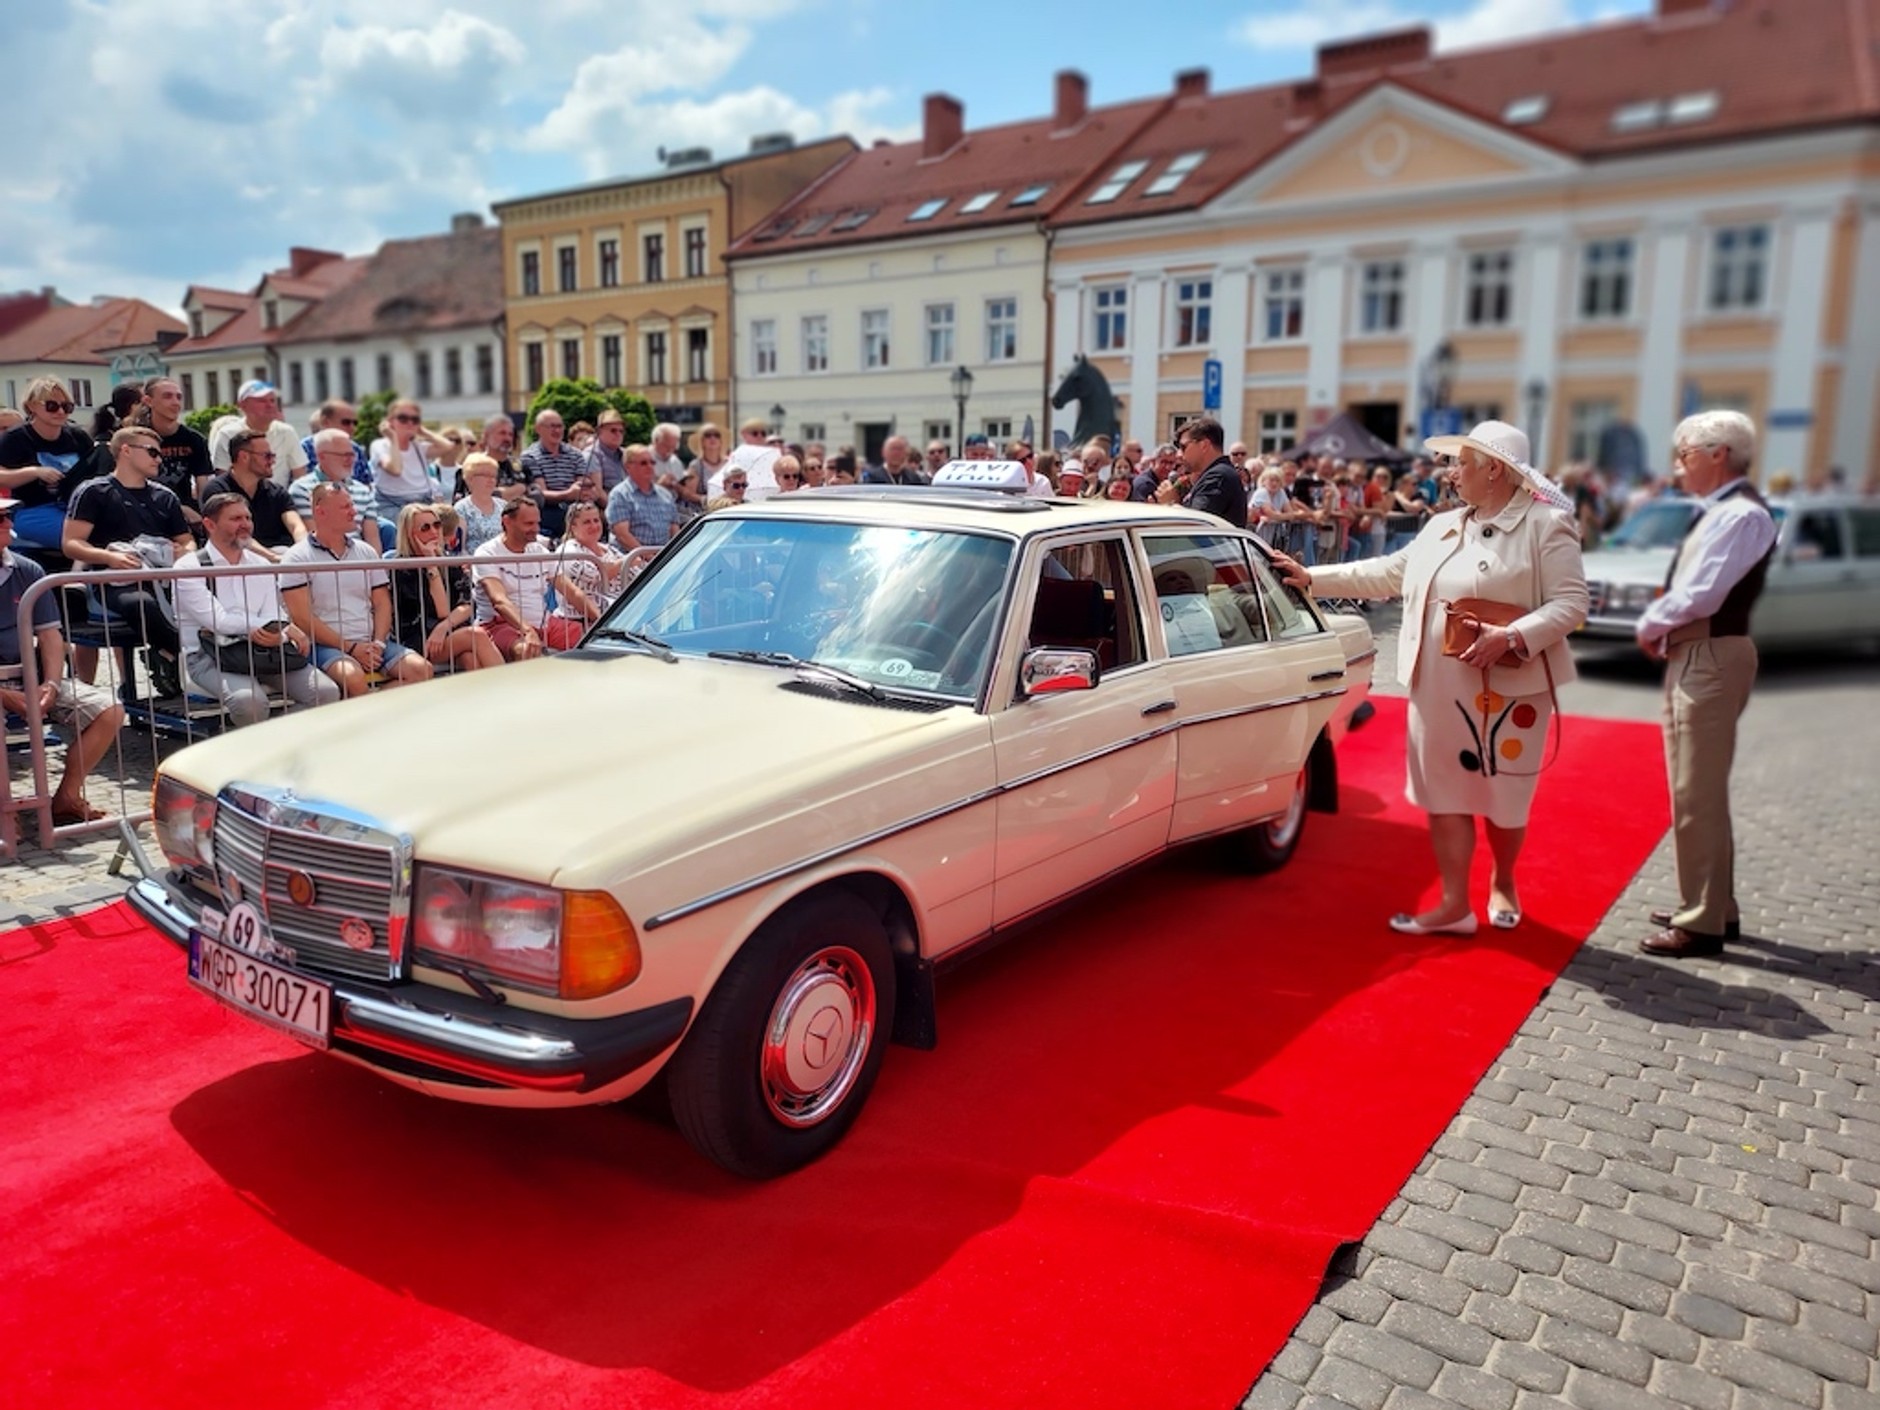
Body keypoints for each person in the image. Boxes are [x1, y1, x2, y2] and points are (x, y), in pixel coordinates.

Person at [1273, 420, 1586, 936]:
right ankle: (1453, 904)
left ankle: (1503, 879)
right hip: (1438, 686)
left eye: (1461, 462)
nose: (1451, 472)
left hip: (1507, 688)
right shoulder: (1442, 524)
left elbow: (1571, 603)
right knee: (1444, 794)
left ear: (1495, 470)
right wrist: (1313, 578)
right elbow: (1389, 573)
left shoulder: (1545, 525)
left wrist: (1511, 637)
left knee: (1502, 796)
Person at [1633, 410, 1779, 959]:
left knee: (1697, 792)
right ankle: (1714, 905)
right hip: (1701, 651)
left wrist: (1650, 624)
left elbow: (1701, 594)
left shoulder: (1739, 515)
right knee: (1698, 791)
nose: (1678, 465)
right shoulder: (1728, 513)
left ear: (1719, 453)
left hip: (1710, 652)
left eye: (1686, 453)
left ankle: (1702, 920)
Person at [0, 493, 125, 824]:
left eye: (8, 517)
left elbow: (51, 635)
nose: (9, 525)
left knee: (109, 709)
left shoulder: (27, 569)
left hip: (27, 673)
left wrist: (51, 684)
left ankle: (66, 797)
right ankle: (4, 809)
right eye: (0, 519)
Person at [173, 492, 338, 726]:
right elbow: (219, 622)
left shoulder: (259, 564)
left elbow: (274, 614)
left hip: (265, 651)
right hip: (210, 656)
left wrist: (279, 633)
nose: (245, 525)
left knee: (326, 692)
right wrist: (278, 629)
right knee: (249, 702)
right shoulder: (189, 568)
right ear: (210, 524)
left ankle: (275, 744)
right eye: (235, 519)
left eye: (247, 518)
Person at [63, 427, 194, 702]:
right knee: (140, 604)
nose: (159, 459)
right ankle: (184, 656)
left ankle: (171, 655)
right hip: (111, 579)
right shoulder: (93, 491)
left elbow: (187, 541)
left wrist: (183, 554)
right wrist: (110, 558)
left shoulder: (165, 496)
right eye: (152, 452)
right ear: (125, 451)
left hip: (163, 576)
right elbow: (72, 543)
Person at [280, 480, 432, 698]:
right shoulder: (296, 557)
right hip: (323, 646)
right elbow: (302, 618)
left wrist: (378, 643)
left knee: (422, 671)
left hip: (371, 643)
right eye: (345, 507)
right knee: (353, 678)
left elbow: (382, 603)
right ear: (320, 511)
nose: (354, 512)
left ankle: (371, 716)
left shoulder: (366, 552)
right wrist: (350, 648)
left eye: (352, 505)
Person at [387, 503, 501, 674]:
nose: (434, 531)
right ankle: (513, 692)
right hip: (419, 639)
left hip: (446, 634)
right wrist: (431, 566)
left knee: (470, 659)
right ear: (409, 533)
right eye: (425, 527)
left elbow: (468, 604)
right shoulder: (401, 568)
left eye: (437, 525)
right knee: (476, 635)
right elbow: (442, 611)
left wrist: (443, 628)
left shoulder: (447, 561)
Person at [0, 377, 94, 551]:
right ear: (32, 406)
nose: (60, 412)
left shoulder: (78, 437)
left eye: (67, 407)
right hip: (33, 510)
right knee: (85, 537)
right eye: (52, 406)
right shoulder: (15, 438)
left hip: (76, 507)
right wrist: (34, 472)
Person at [201, 429, 307, 560]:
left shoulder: (277, 492)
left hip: (282, 555)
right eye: (267, 456)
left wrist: (302, 552)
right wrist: (273, 558)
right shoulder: (217, 491)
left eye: (273, 456)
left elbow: (296, 525)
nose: (272, 461)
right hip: (240, 559)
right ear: (244, 456)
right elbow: (237, 537)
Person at [472, 497, 553, 661]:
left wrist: (601, 620)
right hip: (499, 625)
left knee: (593, 640)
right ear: (507, 521)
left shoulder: (540, 550)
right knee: (527, 651)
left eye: (537, 523)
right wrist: (528, 630)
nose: (536, 529)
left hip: (545, 624)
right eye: (529, 524)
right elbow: (499, 600)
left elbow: (571, 590)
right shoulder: (487, 552)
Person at [546, 501, 628, 650]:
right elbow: (597, 576)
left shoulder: (609, 549)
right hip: (581, 625)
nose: (594, 526)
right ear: (572, 526)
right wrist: (624, 563)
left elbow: (638, 571)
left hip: (620, 619)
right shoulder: (567, 550)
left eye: (596, 520)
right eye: (587, 522)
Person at [138, 377, 214, 530]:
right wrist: (178, 508)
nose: (175, 402)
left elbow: (202, 485)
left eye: (179, 397)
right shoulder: (135, 437)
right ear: (148, 401)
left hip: (186, 517)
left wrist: (206, 518)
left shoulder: (194, 439)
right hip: (142, 511)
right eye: (167, 396)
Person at [292, 428, 383, 553]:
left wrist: (374, 569)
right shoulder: (302, 489)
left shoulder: (363, 491)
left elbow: (373, 539)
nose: (351, 460)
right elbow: (316, 537)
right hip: (322, 560)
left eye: (352, 454)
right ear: (321, 456)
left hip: (360, 558)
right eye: (344, 455)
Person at [208, 381, 308, 484]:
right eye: (262, 401)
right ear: (243, 405)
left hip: (279, 498)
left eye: (272, 400)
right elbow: (223, 478)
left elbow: (300, 476)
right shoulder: (227, 435)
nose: (270, 405)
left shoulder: (286, 432)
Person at [1156, 418, 1247, 528]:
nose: (1179, 454)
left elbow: (1197, 523)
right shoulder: (1216, 474)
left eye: (1183, 447)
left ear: (1204, 445)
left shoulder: (1218, 477)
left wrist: (1170, 503)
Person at [520, 408, 595, 536]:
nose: (557, 430)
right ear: (538, 429)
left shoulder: (575, 454)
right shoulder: (530, 456)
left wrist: (580, 491)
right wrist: (568, 494)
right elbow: (541, 494)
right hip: (548, 510)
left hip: (575, 508)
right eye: (552, 426)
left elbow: (582, 486)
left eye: (560, 426)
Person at [369, 398, 448, 518]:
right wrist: (393, 438)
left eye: (415, 420)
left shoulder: (418, 447)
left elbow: (448, 447)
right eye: (403, 418)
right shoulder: (380, 445)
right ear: (390, 421)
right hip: (392, 504)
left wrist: (423, 432)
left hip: (422, 501)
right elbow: (395, 469)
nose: (410, 423)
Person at [607, 443, 680, 551]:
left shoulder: (666, 495)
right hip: (632, 560)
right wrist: (649, 558)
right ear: (628, 467)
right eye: (643, 463)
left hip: (664, 558)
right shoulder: (620, 495)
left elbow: (675, 530)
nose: (649, 466)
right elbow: (622, 535)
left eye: (652, 462)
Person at [452, 452, 506, 555]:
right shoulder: (461, 509)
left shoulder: (504, 506)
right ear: (470, 478)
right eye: (485, 475)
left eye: (493, 476)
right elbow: (459, 548)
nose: (491, 480)